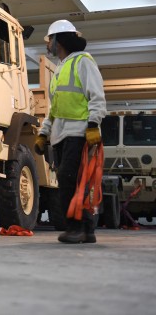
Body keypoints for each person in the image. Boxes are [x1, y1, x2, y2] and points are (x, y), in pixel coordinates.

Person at [34, 20, 106, 244]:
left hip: (79, 133)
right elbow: (55, 109)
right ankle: (86, 230)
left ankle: (75, 228)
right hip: (61, 136)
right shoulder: (60, 69)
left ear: (59, 40)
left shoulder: (83, 62)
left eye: (49, 40)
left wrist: (93, 125)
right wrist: (44, 133)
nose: (48, 45)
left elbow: (97, 96)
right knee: (73, 182)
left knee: (69, 182)